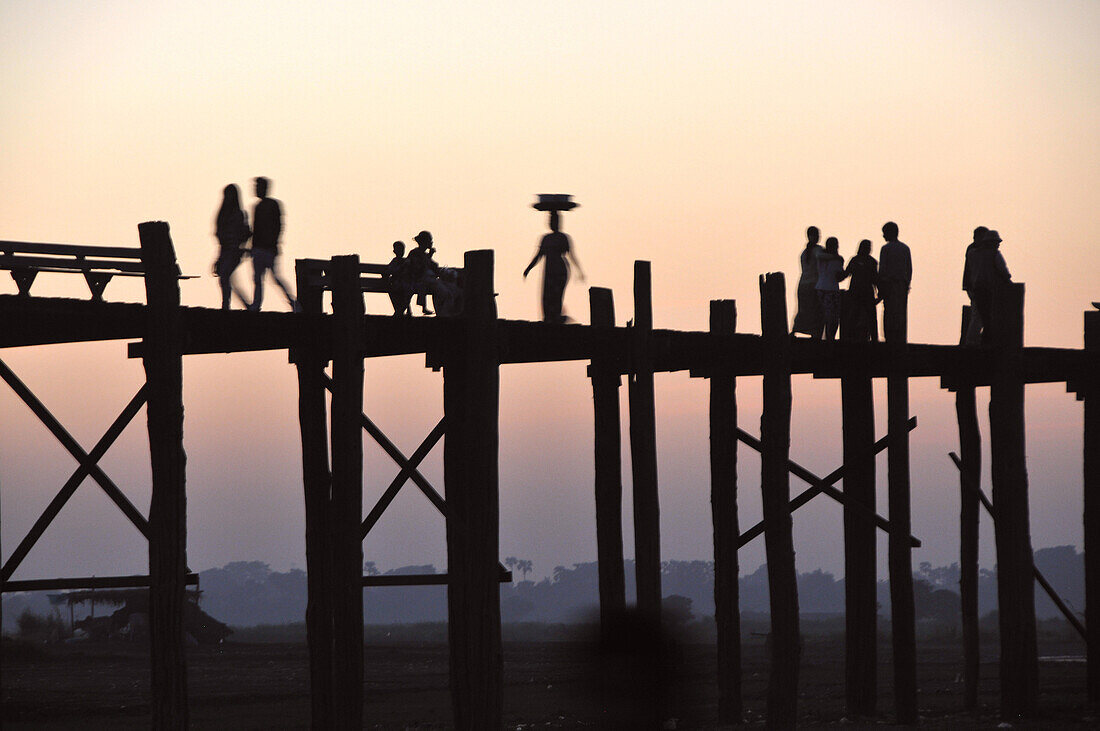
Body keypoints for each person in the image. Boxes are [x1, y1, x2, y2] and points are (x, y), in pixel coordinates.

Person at [523, 210, 584, 323]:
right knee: (546, 295)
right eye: (550, 221)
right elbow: (539, 256)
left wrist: (579, 271)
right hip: (549, 270)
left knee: (556, 295)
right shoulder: (546, 238)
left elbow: (572, 256)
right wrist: (528, 268)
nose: (552, 224)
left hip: (560, 270)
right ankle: (549, 318)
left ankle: (556, 317)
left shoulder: (563, 238)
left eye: (554, 221)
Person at [249, 176, 297, 311]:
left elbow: (278, 226)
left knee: (274, 277)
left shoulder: (272, 205)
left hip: (267, 248)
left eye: (258, 187)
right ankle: (256, 304)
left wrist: (274, 243)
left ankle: (293, 302)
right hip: (259, 248)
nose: (256, 190)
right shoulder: (258, 207)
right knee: (258, 279)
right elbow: (256, 229)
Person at [967, 229, 1012, 345]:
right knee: (990, 317)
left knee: (977, 316)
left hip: (977, 289)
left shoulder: (973, 254)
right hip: (990, 290)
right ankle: (986, 342)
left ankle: (972, 342)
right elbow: (1004, 272)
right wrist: (1009, 283)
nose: (998, 245)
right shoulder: (994, 254)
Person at [213, 184, 251, 310]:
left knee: (225, 277)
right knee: (227, 279)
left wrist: (241, 245)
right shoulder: (224, 215)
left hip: (234, 251)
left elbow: (246, 232)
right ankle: (245, 304)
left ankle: (226, 305)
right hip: (226, 250)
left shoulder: (238, 214)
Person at [838, 239, 879, 341]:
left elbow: (845, 274)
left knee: (854, 316)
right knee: (870, 318)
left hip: (856, 292)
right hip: (864, 292)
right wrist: (880, 294)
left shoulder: (855, 260)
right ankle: (874, 340)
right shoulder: (871, 262)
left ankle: (848, 337)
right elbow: (875, 279)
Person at [878, 221, 912, 343]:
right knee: (901, 313)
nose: (883, 236)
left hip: (889, 285)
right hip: (902, 285)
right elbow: (909, 269)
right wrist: (906, 284)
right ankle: (900, 338)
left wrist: (881, 288)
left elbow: (882, 270)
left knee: (890, 313)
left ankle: (889, 338)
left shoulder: (885, 249)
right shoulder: (905, 248)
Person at [791, 226, 824, 338]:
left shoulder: (804, 253)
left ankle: (796, 329)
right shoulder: (818, 251)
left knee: (803, 310)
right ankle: (815, 333)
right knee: (816, 311)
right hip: (814, 286)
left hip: (803, 285)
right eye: (817, 235)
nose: (819, 237)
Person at [962, 226, 989, 345]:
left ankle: (974, 339)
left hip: (975, 286)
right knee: (977, 314)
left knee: (979, 313)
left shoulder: (973, 249)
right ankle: (972, 340)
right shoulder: (974, 250)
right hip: (976, 286)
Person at [815, 236, 844, 340]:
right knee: (832, 317)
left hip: (821, 288)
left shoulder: (822, 257)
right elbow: (839, 277)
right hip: (831, 289)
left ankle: (822, 337)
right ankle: (829, 337)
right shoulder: (836, 260)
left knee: (823, 316)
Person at [406, 230, 440, 315]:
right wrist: (429, 257)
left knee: (436, 287)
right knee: (423, 284)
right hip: (415, 279)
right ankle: (421, 308)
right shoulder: (415, 253)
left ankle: (436, 310)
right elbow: (418, 267)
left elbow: (432, 265)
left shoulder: (425, 254)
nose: (431, 243)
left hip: (424, 280)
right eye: (429, 240)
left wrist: (430, 256)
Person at [384, 241, 411, 316]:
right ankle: (400, 311)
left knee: (406, 290)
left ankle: (399, 311)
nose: (401, 252)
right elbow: (390, 271)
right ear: (394, 251)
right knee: (399, 291)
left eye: (402, 249)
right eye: (399, 250)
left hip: (404, 284)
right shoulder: (395, 261)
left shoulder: (406, 261)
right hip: (397, 283)